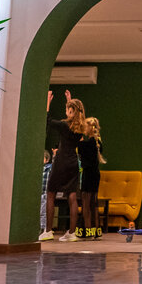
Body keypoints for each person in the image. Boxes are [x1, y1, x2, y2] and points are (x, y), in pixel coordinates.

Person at [39, 89, 86, 242]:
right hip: (73, 162)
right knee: (72, 196)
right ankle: (72, 233)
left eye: (68, 109)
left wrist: (47, 103)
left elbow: (48, 120)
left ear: (71, 111)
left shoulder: (64, 125)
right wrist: (69, 101)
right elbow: (73, 115)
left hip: (61, 162)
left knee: (51, 193)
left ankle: (48, 231)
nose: (66, 111)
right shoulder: (81, 128)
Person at [77, 117, 107, 239]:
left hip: (88, 173)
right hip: (95, 173)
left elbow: (80, 152)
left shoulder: (85, 144)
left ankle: (87, 229)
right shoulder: (98, 142)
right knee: (93, 202)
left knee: (85, 202)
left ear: (89, 128)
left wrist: (79, 140)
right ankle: (95, 230)